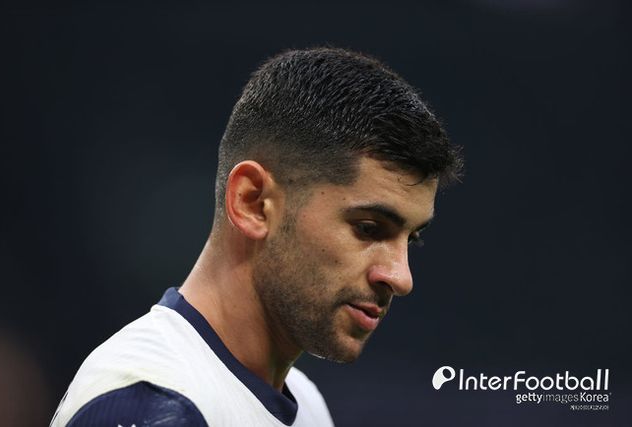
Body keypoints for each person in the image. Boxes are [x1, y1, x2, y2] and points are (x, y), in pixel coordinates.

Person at [51, 47, 463, 426]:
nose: (400, 278)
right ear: (253, 202)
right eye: (368, 228)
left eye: (411, 239)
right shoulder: (150, 405)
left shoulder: (306, 403)